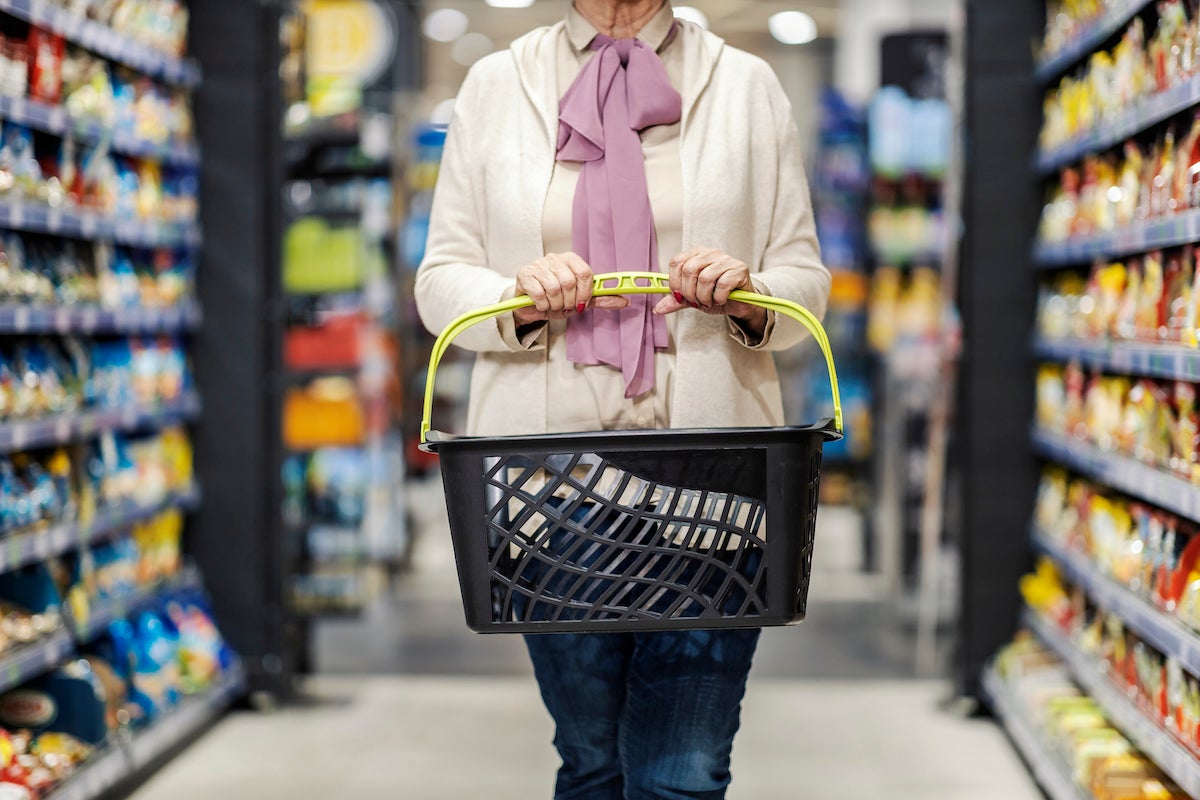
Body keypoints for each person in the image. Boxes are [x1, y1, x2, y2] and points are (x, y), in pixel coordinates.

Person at [416, 0, 830, 797]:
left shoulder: (746, 84)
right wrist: (518, 295)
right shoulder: (498, 85)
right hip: (549, 484)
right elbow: (440, 282)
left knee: (685, 773)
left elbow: (804, 280)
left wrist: (746, 293)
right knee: (593, 763)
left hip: (715, 485)